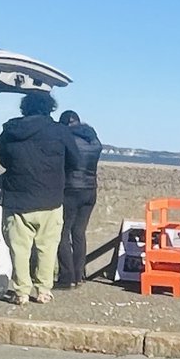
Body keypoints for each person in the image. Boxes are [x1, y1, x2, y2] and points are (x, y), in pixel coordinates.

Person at [0, 92, 82, 305]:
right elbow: (76, 161)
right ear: (50, 108)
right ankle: (43, 289)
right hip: (50, 197)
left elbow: (3, 160)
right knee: (47, 247)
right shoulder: (60, 131)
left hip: (17, 197)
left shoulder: (10, 131)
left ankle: (21, 291)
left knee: (19, 248)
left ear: (24, 108)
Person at [57, 110, 102, 287]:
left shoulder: (67, 140)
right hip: (90, 190)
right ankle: (78, 275)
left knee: (62, 233)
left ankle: (66, 277)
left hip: (70, 189)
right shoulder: (94, 140)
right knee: (79, 233)